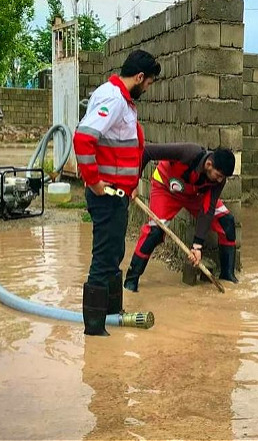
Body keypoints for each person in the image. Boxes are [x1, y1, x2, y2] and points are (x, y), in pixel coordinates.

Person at [73, 50, 161, 337]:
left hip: (119, 194)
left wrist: (131, 185)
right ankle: (95, 329)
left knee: (114, 255)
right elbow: (84, 139)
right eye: (148, 82)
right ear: (139, 77)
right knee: (103, 259)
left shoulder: (121, 99)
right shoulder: (112, 99)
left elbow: (123, 148)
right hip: (106, 195)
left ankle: (111, 315)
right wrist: (95, 182)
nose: (148, 88)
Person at [123, 143, 238, 293]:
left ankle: (228, 277)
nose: (219, 180)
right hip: (165, 188)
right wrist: (133, 182)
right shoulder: (188, 153)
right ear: (209, 164)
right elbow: (147, 151)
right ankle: (131, 281)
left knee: (227, 223)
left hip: (194, 196)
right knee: (154, 233)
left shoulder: (219, 180)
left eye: (222, 178)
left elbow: (207, 209)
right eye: (218, 176)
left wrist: (197, 246)